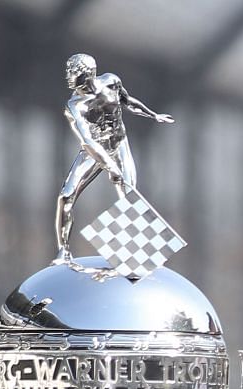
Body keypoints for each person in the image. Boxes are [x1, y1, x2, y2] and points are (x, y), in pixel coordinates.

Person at [54, 53, 174, 263]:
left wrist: (153, 115)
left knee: (129, 194)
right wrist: (109, 166)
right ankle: (63, 251)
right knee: (66, 196)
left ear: (87, 73)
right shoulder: (75, 106)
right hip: (94, 151)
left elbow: (128, 102)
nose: (68, 76)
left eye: (73, 71)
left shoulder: (111, 81)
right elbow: (87, 141)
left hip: (118, 144)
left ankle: (137, 250)